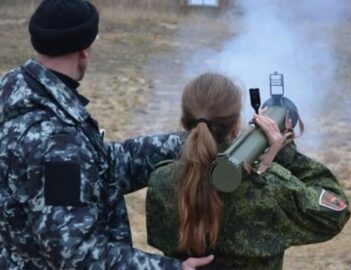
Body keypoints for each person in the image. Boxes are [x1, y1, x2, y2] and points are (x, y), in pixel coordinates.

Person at [0, 0, 212, 269]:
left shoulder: (25, 96)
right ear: (85, 49)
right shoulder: (57, 143)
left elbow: (102, 169)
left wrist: (186, 144)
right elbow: (78, 257)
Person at [146, 73, 351, 269]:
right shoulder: (270, 191)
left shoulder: (160, 182)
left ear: (184, 121)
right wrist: (282, 153)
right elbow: (336, 212)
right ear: (236, 125)